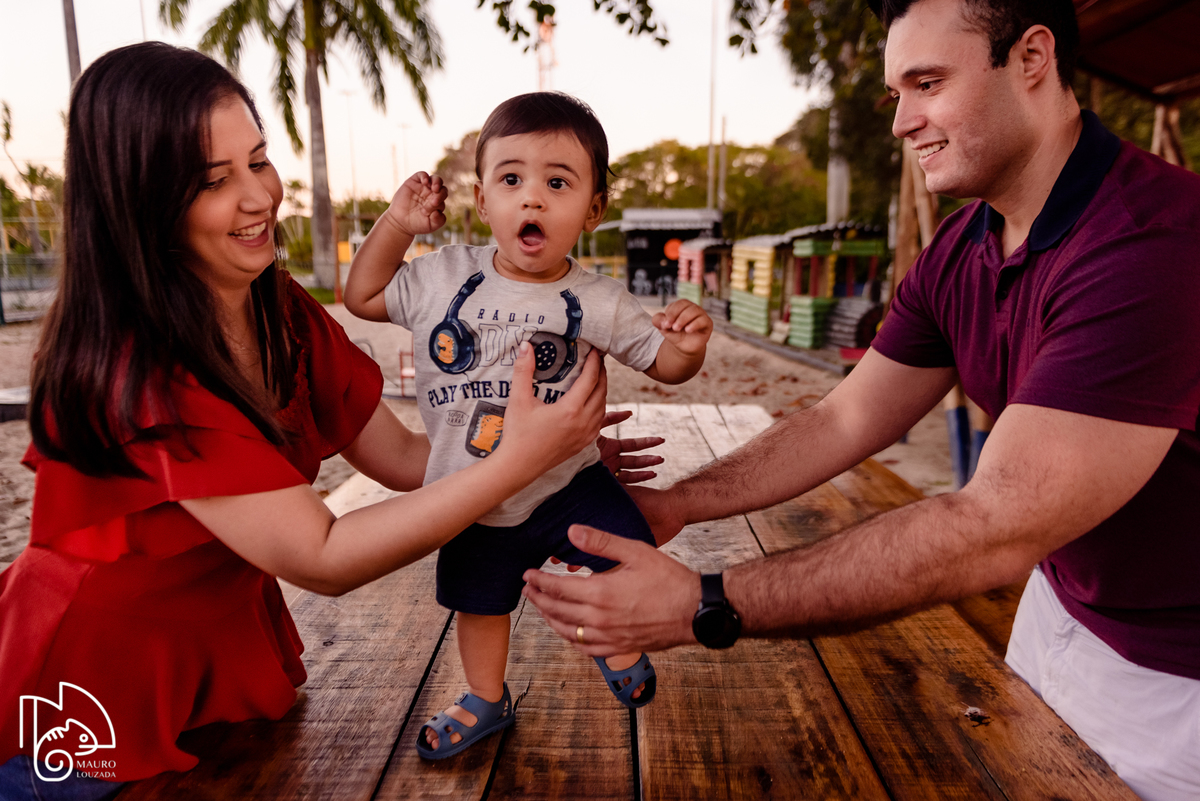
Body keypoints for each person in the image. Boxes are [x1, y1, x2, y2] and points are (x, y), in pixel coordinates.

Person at [520, 1, 1200, 799]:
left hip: (1173, 671)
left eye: (928, 82)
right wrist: (677, 504)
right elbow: (846, 415)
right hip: (1059, 604)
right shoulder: (965, 245)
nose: (903, 121)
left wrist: (703, 601)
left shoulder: (1151, 245)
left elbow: (991, 525)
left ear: (1031, 58)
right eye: (895, 94)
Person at [0, 43, 660, 797]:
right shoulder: (142, 369)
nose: (259, 197)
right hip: (89, 679)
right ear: (141, 203)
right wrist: (516, 462)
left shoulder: (278, 309)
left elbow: (416, 455)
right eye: (216, 180)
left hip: (215, 642)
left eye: (258, 159)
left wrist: (553, 460)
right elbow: (323, 555)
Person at [343, 91, 714, 759]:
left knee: (628, 554)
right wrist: (397, 224)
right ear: (483, 200)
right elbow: (362, 294)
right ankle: (485, 697)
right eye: (511, 179)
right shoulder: (442, 278)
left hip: (569, 483)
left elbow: (665, 363)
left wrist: (686, 347)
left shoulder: (598, 299)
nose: (532, 199)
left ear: (593, 210)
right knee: (479, 605)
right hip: (471, 495)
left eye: (557, 183)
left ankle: (615, 639)